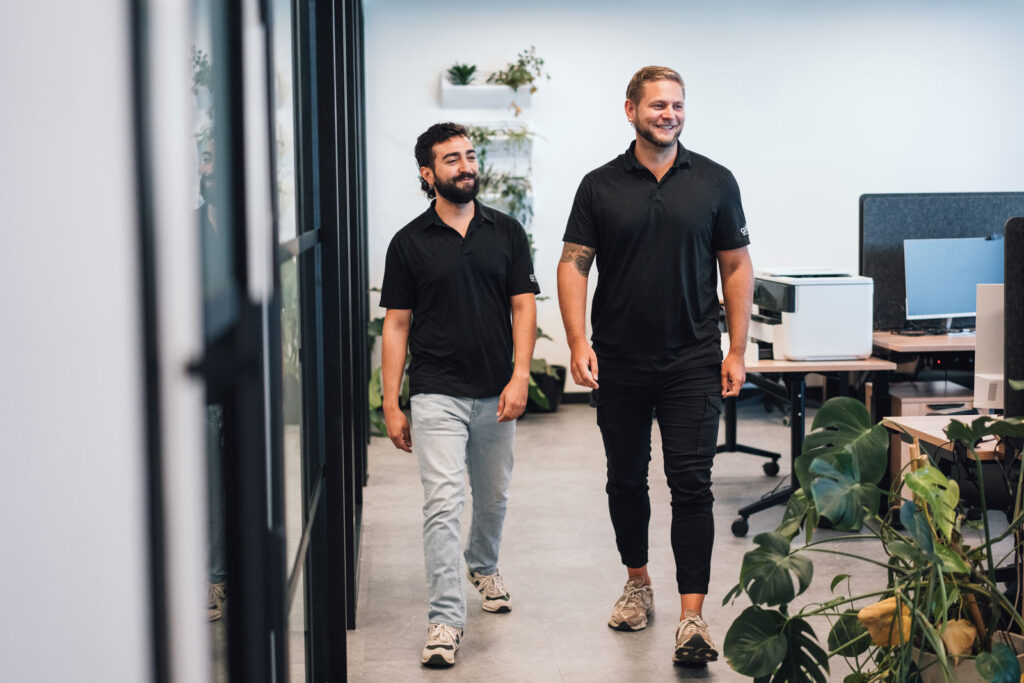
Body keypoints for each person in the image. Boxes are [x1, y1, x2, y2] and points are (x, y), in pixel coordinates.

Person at [556, 66, 753, 666]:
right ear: (630, 110)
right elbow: (573, 266)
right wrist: (576, 341)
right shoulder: (599, 186)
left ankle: (693, 618)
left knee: (693, 484)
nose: (668, 114)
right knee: (626, 479)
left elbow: (737, 266)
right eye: (657, 105)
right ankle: (638, 582)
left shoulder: (715, 182)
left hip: (693, 358)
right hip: (618, 360)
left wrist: (737, 349)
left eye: (677, 105)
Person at [380, 122, 540, 668]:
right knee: (443, 504)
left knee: (492, 495)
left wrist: (521, 376)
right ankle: (445, 620)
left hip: (496, 389)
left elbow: (523, 306)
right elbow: (396, 325)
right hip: (436, 393)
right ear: (428, 174)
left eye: (470, 156)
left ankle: (484, 564)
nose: (466, 166)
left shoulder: (507, 232)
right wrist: (390, 399)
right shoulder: (408, 243)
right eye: (452, 159)